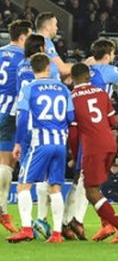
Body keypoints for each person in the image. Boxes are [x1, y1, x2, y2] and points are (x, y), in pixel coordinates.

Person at [7, 53, 74, 243]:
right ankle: (57, 233)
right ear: (48, 68)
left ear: (33, 69)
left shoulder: (29, 88)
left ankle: (27, 229)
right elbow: (70, 117)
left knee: (23, 186)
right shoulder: (63, 88)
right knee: (55, 187)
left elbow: (22, 118)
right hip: (60, 143)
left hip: (40, 143)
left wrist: (19, 143)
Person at [68, 63, 118, 243]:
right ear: (89, 77)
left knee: (91, 191)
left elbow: (73, 133)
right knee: (94, 187)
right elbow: (113, 120)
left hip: (93, 148)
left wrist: (74, 155)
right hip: (110, 143)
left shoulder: (71, 97)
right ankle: (107, 225)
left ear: (72, 79)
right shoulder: (101, 92)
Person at [0, 20, 32, 233]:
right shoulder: (24, 59)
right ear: (23, 37)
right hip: (10, 112)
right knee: (7, 163)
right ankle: (2, 209)